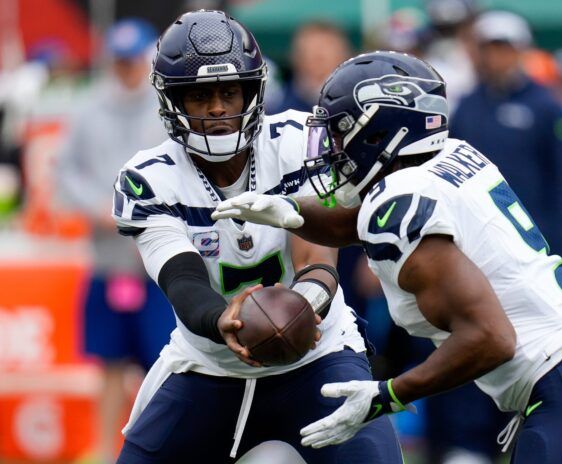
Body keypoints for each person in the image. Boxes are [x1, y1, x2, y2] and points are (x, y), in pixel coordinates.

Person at [213, 51, 562, 463]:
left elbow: (491, 337)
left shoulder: (400, 199)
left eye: (341, 131)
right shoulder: (447, 157)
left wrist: (386, 394)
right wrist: (289, 210)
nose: (333, 148)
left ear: (381, 131)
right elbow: (356, 222)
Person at [110, 11, 401, 464]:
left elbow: (317, 257)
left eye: (229, 92)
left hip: (317, 356)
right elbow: (182, 278)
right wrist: (221, 320)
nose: (217, 108)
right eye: (200, 95)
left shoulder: (297, 141)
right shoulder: (150, 178)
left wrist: (301, 307)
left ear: (254, 90)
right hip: (207, 365)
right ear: (173, 101)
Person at [55, 18, 175, 463]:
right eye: (120, 61)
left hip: (158, 263)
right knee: (107, 362)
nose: (126, 70)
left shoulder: (163, 108)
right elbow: (65, 170)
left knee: (163, 365)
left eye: (133, 61)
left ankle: (162, 447)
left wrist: (136, 211)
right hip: (108, 262)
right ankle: (107, 449)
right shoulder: (88, 108)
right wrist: (101, 208)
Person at [449, 11, 562, 262]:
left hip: (533, 237)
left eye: (503, 47)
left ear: (521, 50)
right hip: (475, 237)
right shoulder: (467, 106)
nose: (495, 56)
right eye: (489, 48)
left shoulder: (545, 105)